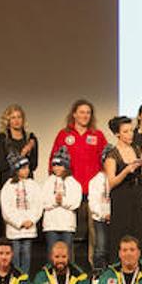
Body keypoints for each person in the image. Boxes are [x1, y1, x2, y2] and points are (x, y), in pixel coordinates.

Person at [50, 99, 106, 261]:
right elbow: (54, 161)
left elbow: (106, 160)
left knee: (94, 231)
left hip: (92, 190)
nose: (85, 115)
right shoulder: (64, 135)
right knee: (66, 229)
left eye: (88, 112)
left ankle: (94, 264)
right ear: (74, 114)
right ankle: (65, 263)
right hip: (69, 190)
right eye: (81, 112)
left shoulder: (97, 135)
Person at [103, 116, 142, 258]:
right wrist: (126, 170)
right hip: (121, 196)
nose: (130, 134)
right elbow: (112, 182)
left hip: (137, 194)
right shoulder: (112, 154)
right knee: (121, 233)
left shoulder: (137, 149)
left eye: (131, 130)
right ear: (117, 134)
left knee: (139, 232)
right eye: (126, 131)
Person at [0, 154, 42, 273]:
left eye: (27, 167)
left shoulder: (33, 185)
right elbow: (6, 209)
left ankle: (25, 278)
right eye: (23, 168)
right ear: (16, 170)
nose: (27, 170)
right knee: (15, 254)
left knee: (27, 254)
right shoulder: (8, 186)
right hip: (14, 230)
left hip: (29, 228)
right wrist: (19, 222)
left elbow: (38, 205)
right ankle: (16, 277)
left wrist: (31, 220)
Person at [42, 147, 83, 262]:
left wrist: (62, 201)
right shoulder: (48, 182)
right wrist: (55, 201)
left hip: (67, 225)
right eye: (54, 165)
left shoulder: (73, 183)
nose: (57, 168)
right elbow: (44, 202)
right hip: (51, 225)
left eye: (60, 165)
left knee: (67, 253)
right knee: (52, 253)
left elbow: (75, 202)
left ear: (66, 166)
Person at [0, 103, 38, 188]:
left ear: (23, 119)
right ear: (8, 120)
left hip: (27, 184)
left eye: (19, 117)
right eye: (13, 118)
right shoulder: (2, 138)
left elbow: (33, 165)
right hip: (8, 184)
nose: (16, 120)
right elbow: (1, 166)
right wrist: (22, 156)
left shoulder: (31, 138)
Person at [86, 158, 111, 274]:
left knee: (114, 246)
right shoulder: (96, 181)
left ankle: (112, 273)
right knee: (100, 246)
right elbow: (93, 201)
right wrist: (102, 214)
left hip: (114, 218)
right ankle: (98, 272)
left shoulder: (116, 177)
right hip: (100, 219)